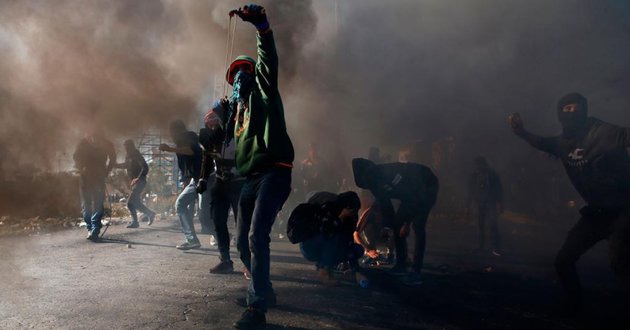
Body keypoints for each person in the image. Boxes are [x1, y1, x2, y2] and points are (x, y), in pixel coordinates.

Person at [508, 92, 630, 312]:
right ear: (559, 113)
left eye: (576, 108)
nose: (571, 112)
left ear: (584, 110)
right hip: (596, 214)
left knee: (619, 262)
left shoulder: (604, 132)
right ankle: (574, 304)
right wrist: (520, 132)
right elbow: (542, 142)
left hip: (624, 210)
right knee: (563, 261)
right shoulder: (562, 143)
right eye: (566, 108)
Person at [226, 4, 294, 329]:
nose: (240, 77)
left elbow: (268, 64)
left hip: (275, 171)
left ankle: (257, 308)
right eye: (235, 74)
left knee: (256, 235)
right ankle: (262, 288)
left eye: (245, 71)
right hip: (251, 178)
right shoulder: (236, 115)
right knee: (241, 242)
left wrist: (262, 29)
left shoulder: (264, 96)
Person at [352, 158, 439, 284]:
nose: (369, 187)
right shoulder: (372, 182)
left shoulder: (390, 173)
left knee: (418, 226)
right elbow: (385, 204)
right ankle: (401, 264)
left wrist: (407, 222)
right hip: (410, 194)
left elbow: (412, 196)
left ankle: (416, 270)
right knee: (397, 224)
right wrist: (387, 227)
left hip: (425, 186)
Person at [197, 100, 244, 274]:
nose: (213, 126)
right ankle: (225, 259)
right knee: (217, 220)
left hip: (239, 183)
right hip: (220, 183)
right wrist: (202, 179)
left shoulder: (239, 131)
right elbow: (207, 159)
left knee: (243, 223)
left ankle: (248, 261)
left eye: (215, 123)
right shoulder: (209, 138)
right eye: (210, 124)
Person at [298, 191, 365, 286]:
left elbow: (348, 240)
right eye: (352, 211)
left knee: (357, 249)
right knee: (334, 237)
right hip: (310, 246)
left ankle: (329, 265)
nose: (354, 214)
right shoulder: (328, 208)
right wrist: (340, 218)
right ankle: (324, 270)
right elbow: (325, 232)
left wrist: (355, 270)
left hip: (327, 245)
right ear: (345, 208)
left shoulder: (351, 217)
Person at [159, 119, 204, 250]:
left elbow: (191, 151)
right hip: (195, 180)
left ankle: (224, 237)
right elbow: (187, 162)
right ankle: (192, 239)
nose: (171, 135)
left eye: (172, 132)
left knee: (205, 216)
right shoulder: (183, 141)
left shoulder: (188, 137)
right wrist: (185, 179)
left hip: (205, 179)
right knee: (181, 204)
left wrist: (169, 149)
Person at [73, 127, 116, 241]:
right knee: (86, 205)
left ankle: (95, 228)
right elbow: (75, 156)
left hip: (99, 177)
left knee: (97, 203)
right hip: (85, 178)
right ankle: (90, 228)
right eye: (92, 137)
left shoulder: (107, 144)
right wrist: (79, 166)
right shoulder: (83, 143)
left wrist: (107, 171)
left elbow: (113, 159)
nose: (94, 139)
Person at [466, 156, 504, 256]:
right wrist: (469, 204)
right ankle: (481, 247)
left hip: (490, 203)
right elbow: (470, 191)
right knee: (480, 226)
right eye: (477, 164)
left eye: (479, 164)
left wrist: (501, 203)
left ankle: (496, 248)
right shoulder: (474, 176)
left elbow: (498, 189)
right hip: (479, 203)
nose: (478, 166)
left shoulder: (492, 175)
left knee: (492, 225)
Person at [115, 139, 156, 229]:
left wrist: (138, 177)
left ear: (130, 146)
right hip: (135, 182)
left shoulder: (136, 154)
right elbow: (126, 165)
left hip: (140, 181)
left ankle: (135, 222)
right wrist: (115, 165)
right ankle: (151, 214)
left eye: (127, 147)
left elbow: (145, 166)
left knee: (130, 203)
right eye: (125, 147)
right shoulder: (129, 156)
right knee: (136, 203)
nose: (125, 149)